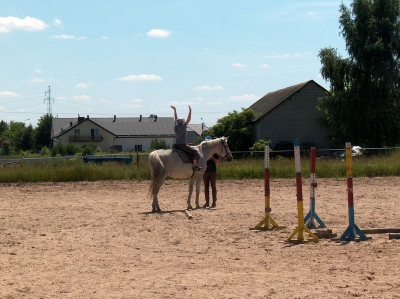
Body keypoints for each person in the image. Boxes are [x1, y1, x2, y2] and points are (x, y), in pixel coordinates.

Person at [171, 105, 202, 170]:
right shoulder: (183, 126)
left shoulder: (176, 127)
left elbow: (176, 118)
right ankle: (195, 166)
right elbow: (189, 119)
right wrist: (190, 111)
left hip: (176, 145)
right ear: (182, 122)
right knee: (195, 152)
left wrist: (175, 110)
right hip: (182, 145)